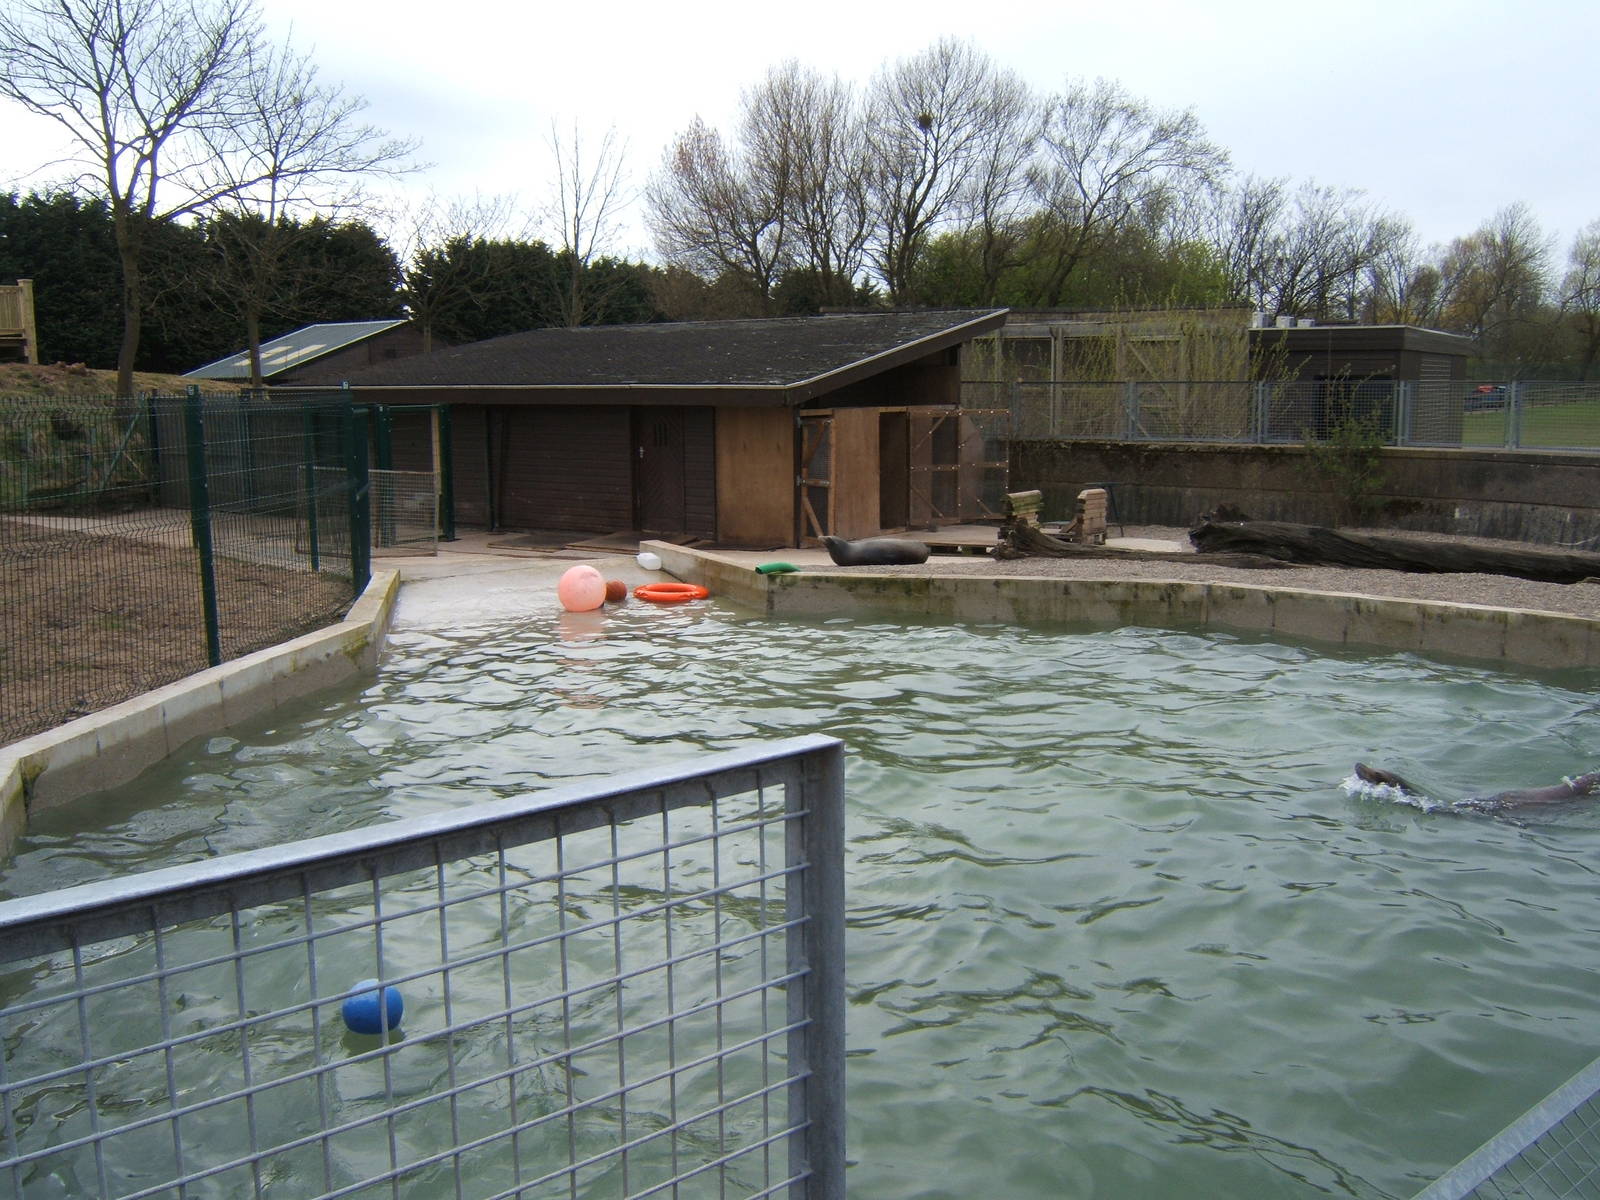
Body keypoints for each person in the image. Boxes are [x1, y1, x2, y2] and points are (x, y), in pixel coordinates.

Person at [1353, 762, 1600, 812]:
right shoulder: (1589, 786)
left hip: (1519, 800)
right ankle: (1392, 784)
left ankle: (1392, 784)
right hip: (1519, 804)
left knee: (1459, 810)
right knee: (1461, 811)